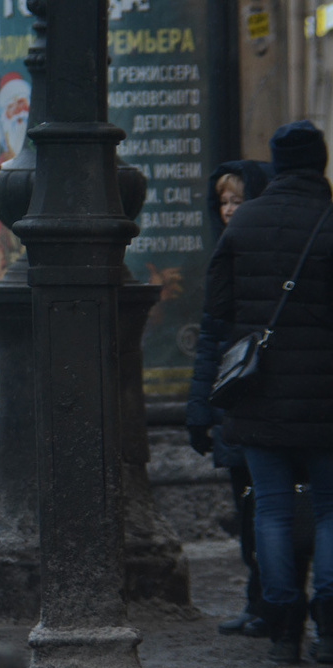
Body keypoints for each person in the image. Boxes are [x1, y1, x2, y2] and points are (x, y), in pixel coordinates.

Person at [202, 120, 333, 664]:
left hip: (258, 393)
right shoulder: (330, 221)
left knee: (273, 512)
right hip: (327, 398)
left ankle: (282, 627)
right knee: (329, 510)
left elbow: (218, 310)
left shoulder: (244, 223)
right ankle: (329, 627)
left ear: (277, 166)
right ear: (321, 163)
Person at [187, 159, 273, 638]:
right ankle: (261, 601)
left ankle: (271, 603)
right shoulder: (224, 253)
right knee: (250, 509)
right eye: (222, 201)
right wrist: (200, 408)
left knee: (271, 511)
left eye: (236, 200)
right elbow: (210, 341)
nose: (227, 210)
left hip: (257, 401)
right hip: (236, 401)